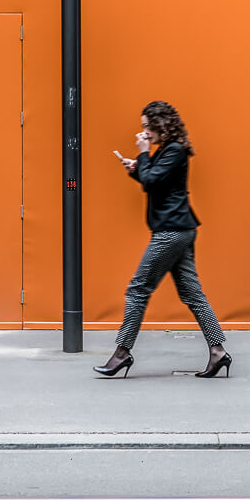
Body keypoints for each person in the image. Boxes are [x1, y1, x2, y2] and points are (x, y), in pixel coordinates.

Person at [94, 101, 232, 379]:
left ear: (160, 125)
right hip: (179, 229)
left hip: (171, 231)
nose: (144, 132)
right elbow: (150, 179)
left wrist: (143, 157)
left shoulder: (174, 151)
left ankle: (122, 354)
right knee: (192, 294)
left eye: (147, 126)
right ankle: (218, 353)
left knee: (137, 290)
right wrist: (135, 167)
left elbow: (152, 182)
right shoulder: (167, 151)